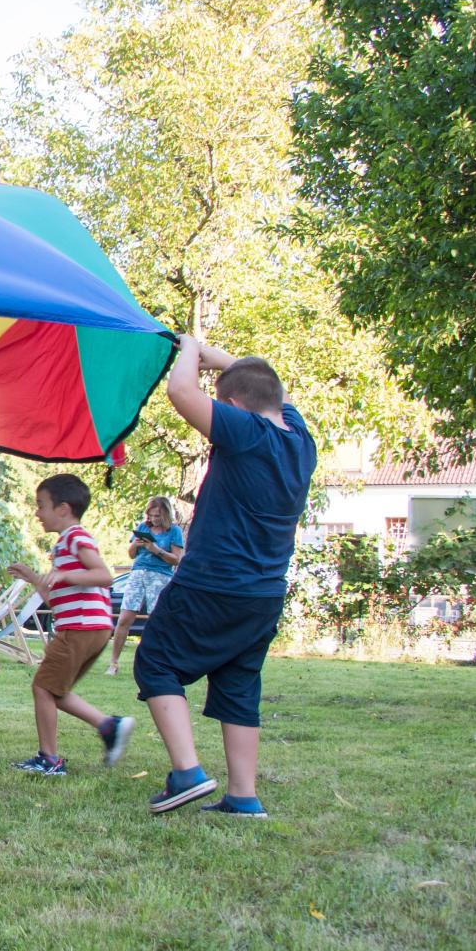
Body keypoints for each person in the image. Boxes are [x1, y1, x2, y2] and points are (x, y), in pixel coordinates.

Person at [137, 339, 316, 818]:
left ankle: (188, 772)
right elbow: (265, 382)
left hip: (212, 583)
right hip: (264, 593)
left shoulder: (247, 431)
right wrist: (225, 360)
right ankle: (243, 795)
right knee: (238, 684)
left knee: (155, 663)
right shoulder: (299, 436)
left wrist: (191, 349)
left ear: (233, 407)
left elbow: (181, 392)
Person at [6, 474, 135, 778]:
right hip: (90, 628)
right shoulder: (64, 546)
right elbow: (55, 600)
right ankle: (108, 726)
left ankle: (49, 759)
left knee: (42, 687)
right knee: (56, 690)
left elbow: (103, 575)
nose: (37, 513)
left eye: (41, 506)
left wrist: (65, 575)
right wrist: (34, 578)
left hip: (80, 627)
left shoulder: (76, 537)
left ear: (63, 508)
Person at [107, 496, 184, 675]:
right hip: (137, 574)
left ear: (165, 513)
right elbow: (131, 555)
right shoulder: (143, 527)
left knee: (156, 620)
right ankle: (114, 663)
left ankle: (154, 663)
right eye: (150, 515)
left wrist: (155, 549)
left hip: (159, 576)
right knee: (124, 618)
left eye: (157, 515)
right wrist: (135, 544)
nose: (153, 519)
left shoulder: (174, 531)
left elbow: (176, 559)